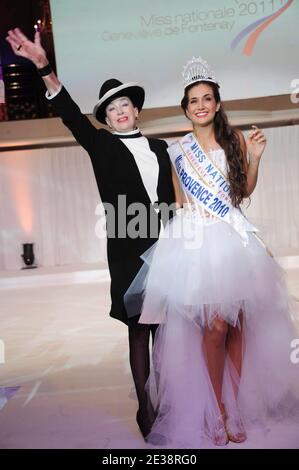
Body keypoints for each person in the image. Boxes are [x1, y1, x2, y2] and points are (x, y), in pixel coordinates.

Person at [6, 28, 177, 441]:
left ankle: (169, 396)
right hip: (128, 246)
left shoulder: (159, 147)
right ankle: (145, 404)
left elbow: (170, 198)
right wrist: (43, 66)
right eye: (112, 107)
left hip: (169, 246)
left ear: (136, 110)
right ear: (107, 116)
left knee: (168, 332)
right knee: (139, 329)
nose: (120, 111)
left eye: (125, 104)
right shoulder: (100, 144)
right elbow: (67, 111)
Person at [125, 57, 299, 447]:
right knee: (215, 325)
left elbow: (242, 193)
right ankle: (217, 409)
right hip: (199, 242)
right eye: (193, 100)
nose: (200, 105)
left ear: (217, 104)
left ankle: (233, 406)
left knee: (238, 325)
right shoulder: (177, 151)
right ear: (185, 109)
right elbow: (180, 201)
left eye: (207, 98)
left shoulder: (234, 139)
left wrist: (254, 159)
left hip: (234, 238)